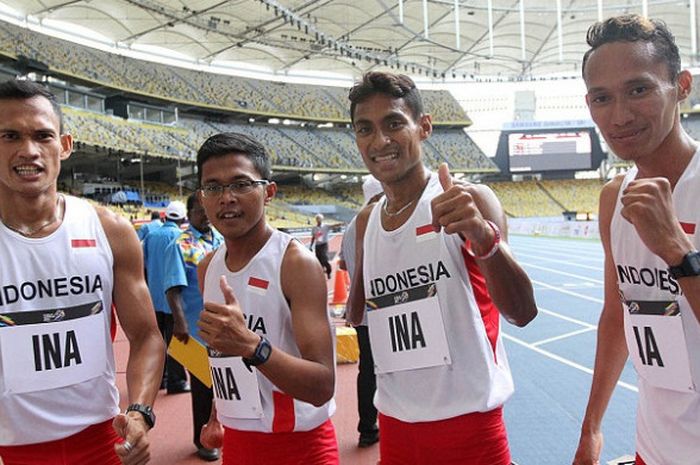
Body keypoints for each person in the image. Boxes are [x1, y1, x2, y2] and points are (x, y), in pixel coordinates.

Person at [346, 72, 537, 465]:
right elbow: (359, 314)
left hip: (469, 431)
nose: (379, 141)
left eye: (394, 123)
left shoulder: (468, 199)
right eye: (365, 129)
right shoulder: (366, 222)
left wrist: (486, 242)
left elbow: (522, 313)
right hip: (396, 427)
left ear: (425, 127)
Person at [0, 79, 164, 464]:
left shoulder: (110, 230)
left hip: (101, 444)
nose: (29, 150)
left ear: (65, 145)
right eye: (9, 135)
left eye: (43, 136)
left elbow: (146, 336)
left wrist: (140, 411)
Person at [573, 15, 700, 465]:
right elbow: (617, 317)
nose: (620, 115)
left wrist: (679, 254)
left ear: (682, 85)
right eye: (602, 98)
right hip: (654, 447)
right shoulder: (614, 198)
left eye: (639, 89)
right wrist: (591, 427)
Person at [193, 132, 338, 464]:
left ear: (268, 192)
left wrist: (252, 346)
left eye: (241, 184)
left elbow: (322, 385)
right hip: (239, 446)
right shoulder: (208, 268)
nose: (226, 197)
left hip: (300, 447)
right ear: (202, 197)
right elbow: (226, 358)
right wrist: (221, 410)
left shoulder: (295, 264)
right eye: (213, 187)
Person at [164, 193, 223, 462]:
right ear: (190, 213)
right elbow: (173, 288)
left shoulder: (221, 239)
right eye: (200, 211)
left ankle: (222, 430)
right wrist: (179, 322)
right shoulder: (181, 243)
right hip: (196, 328)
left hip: (223, 326)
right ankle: (202, 440)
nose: (205, 215)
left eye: (207, 210)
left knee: (226, 383)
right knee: (202, 387)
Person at [339, 175, 383, 448]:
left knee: (367, 369)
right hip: (383, 309)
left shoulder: (351, 225)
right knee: (393, 368)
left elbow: (343, 264)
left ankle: (367, 426)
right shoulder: (382, 218)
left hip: (361, 312)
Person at [143, 200, 190, 394]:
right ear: (183, 218)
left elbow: (144, 265)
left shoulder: (151, 236)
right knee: (176, 341)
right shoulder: (182, 237)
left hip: (153, 296)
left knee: (157, 341)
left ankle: (160, 379)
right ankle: (176, 381)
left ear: (165, 216)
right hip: (174, 299)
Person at [309, 213, 332, 279]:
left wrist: (342, 223)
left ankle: (328, 272)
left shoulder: (326, 226)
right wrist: (311, 246)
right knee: (318, 261)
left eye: (319, 219)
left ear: (322, 219)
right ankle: (321, 274)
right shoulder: (314, 228)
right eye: (317, 219)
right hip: (317, 245)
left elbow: (334, 226)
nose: (318, 220)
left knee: (324, 259)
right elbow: (313, 237)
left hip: (324, 245)